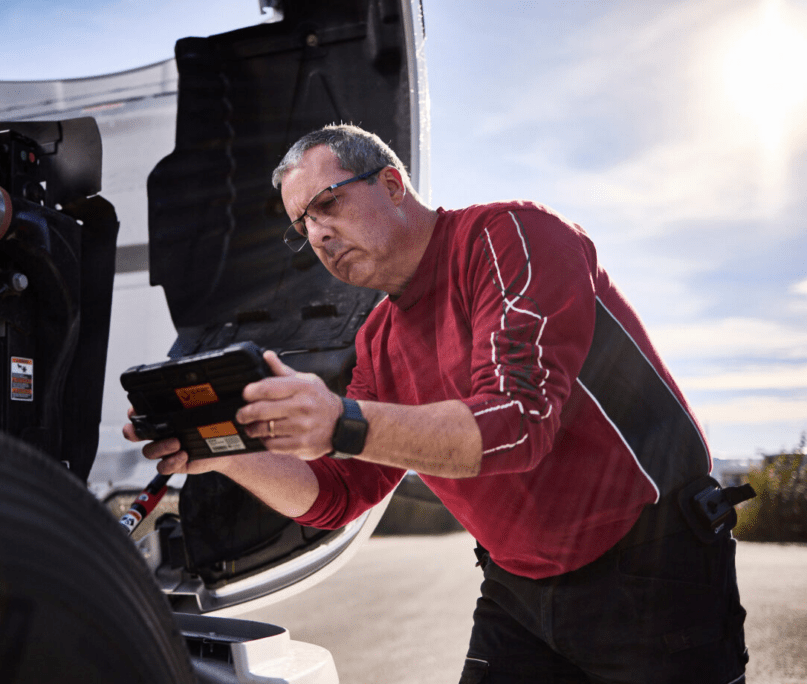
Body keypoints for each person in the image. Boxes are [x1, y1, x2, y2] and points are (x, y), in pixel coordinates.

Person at [124, 124, 752, 683]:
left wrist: (341, 420)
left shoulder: (511, 237)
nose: (317, 233)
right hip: (518, 592)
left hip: (652, 567)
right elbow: (339, 494)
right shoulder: (378, 338)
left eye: (328, 203)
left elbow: (519, 424)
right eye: (303, 225)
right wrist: (220, 453)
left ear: (392, 183)